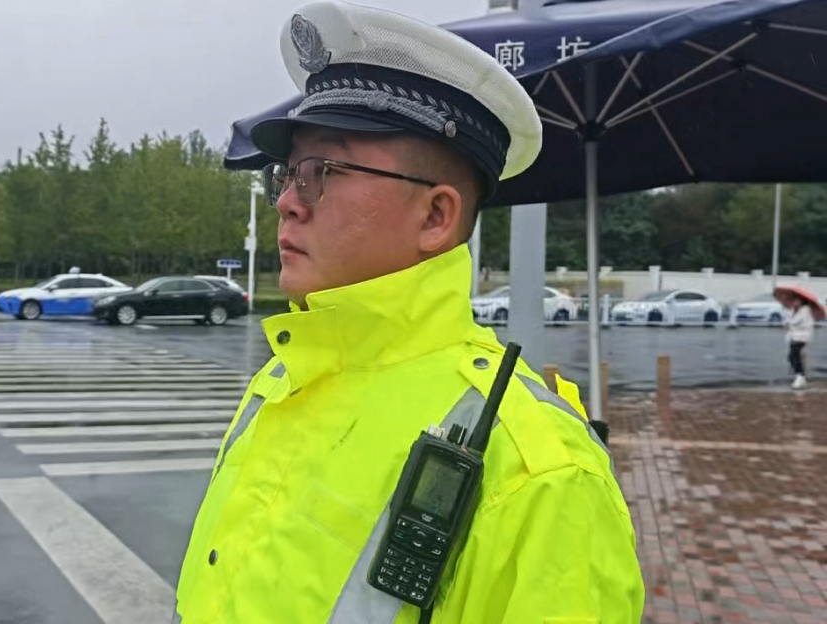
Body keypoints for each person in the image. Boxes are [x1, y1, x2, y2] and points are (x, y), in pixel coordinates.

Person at [174, 3, 644, 623]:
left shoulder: (542, 472)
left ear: (435, 217)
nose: (288, 201)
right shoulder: (282, 381)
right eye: (286, 175)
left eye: (321, 172)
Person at [779, 289, 816, 390]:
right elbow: (788, 321)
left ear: (801, 301)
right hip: (794, 336)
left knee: (793, 355)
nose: (794, 302)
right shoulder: (793, 310)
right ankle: (800, 377)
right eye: (793, 300)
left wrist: (789, 324)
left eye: (796, 300)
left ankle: (800, 377)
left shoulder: (805, 310)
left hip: (802, 336)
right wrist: (787, 322)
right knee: (793, 357)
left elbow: (796, 322)